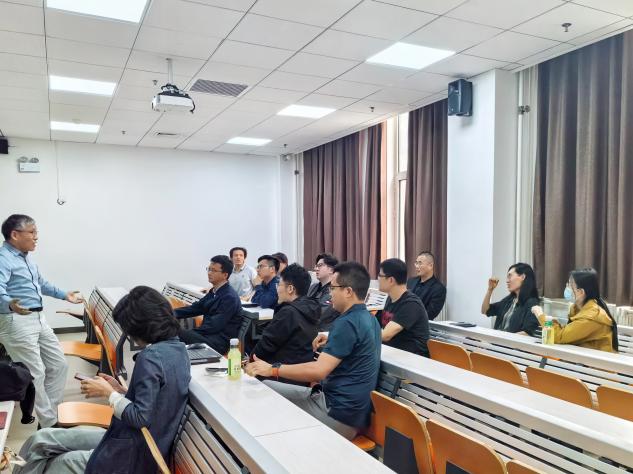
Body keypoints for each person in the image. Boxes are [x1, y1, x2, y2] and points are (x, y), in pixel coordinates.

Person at [14, 286, 191, 474]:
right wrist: (121, 391)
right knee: (41, 439)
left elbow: (141, 417)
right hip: (129, 438)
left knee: (56, 462)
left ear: (142, 326)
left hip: (131, 455)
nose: (128, 335)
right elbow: (157, 402)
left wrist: (110, 394)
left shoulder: (150, 358)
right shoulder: (179, 350)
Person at [245, 262, 381, 440]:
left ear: (348, 291)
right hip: (354, 414)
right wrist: (330, 337)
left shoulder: (346, 323)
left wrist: (272, 369)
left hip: (336, 414)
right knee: (269, 388)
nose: (330, 294)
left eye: (333, 288)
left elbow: (318, 371)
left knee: (262, 390)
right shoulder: (369, 319)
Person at [0, 214, 84, 428]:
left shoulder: (25, 257)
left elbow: (41, 283)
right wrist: (10, 303)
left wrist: (64, 295)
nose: (36, 237)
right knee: (35, 373)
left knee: (59, 365)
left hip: (38, 318)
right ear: (15, 234)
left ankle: (50, 415)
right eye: (32, 232)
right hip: (16, 321)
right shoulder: (3, 258)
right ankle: (50, 424)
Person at [532, 268, 618, 352]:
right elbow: (564, 332)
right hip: (581, 357)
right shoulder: (577, 308)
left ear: (581, 292)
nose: (567, 287)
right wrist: (549, 321)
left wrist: (540, 315)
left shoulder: (591, 317)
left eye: (570, 285)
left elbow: (558, 336)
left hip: (595, 360)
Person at [251, 263, 319, 366]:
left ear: (290, 289)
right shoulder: (311, 308)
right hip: (300, 368)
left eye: (279, 285)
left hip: (280, 369)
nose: (277, 289)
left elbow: (266, 344)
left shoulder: (288, 313)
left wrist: (250, 361)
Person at [175, 255, 241, 354]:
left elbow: (214, 325)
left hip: (217, 343)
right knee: (174, 331)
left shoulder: (229, 297)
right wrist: (170, 313)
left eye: (214, 270)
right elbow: (195, 308)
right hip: (206, 335)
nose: (209, 273)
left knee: (175, 332)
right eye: (209, 269)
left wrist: (191, 333)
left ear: (225, 275)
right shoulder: (214, 291)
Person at [376, 258, 429, 357]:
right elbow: (375, 324)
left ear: (391, 280)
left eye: (380, 275)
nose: (377, 278)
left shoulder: (411, 304)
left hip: (413, 359)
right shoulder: (389, 299)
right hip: (393, 354)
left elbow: (385, 335)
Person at [481, 263, 540, 336]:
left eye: (510, 276)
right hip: (497, 340)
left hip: (510, 342)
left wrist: (503, 338)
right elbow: (485, 310)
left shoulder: (532, 303)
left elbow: (527, 332)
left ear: (522, 277)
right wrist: (490, 289)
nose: (507, 281)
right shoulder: (509, 300)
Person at [406, 251, 446, 320]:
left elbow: (430, 314)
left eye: (420, 263)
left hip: (420, 324)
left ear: (430, 266)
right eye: (416, 263)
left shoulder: (439, 288)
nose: (417, 266)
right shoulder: (411, 281)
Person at [307, 253, 340, 331]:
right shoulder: (313, 287)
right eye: (316, 266)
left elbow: (321, 313)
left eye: (320, 265)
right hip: (309, 328)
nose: (316, 269)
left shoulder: (336, 290)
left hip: (324, 331)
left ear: (331, 270)